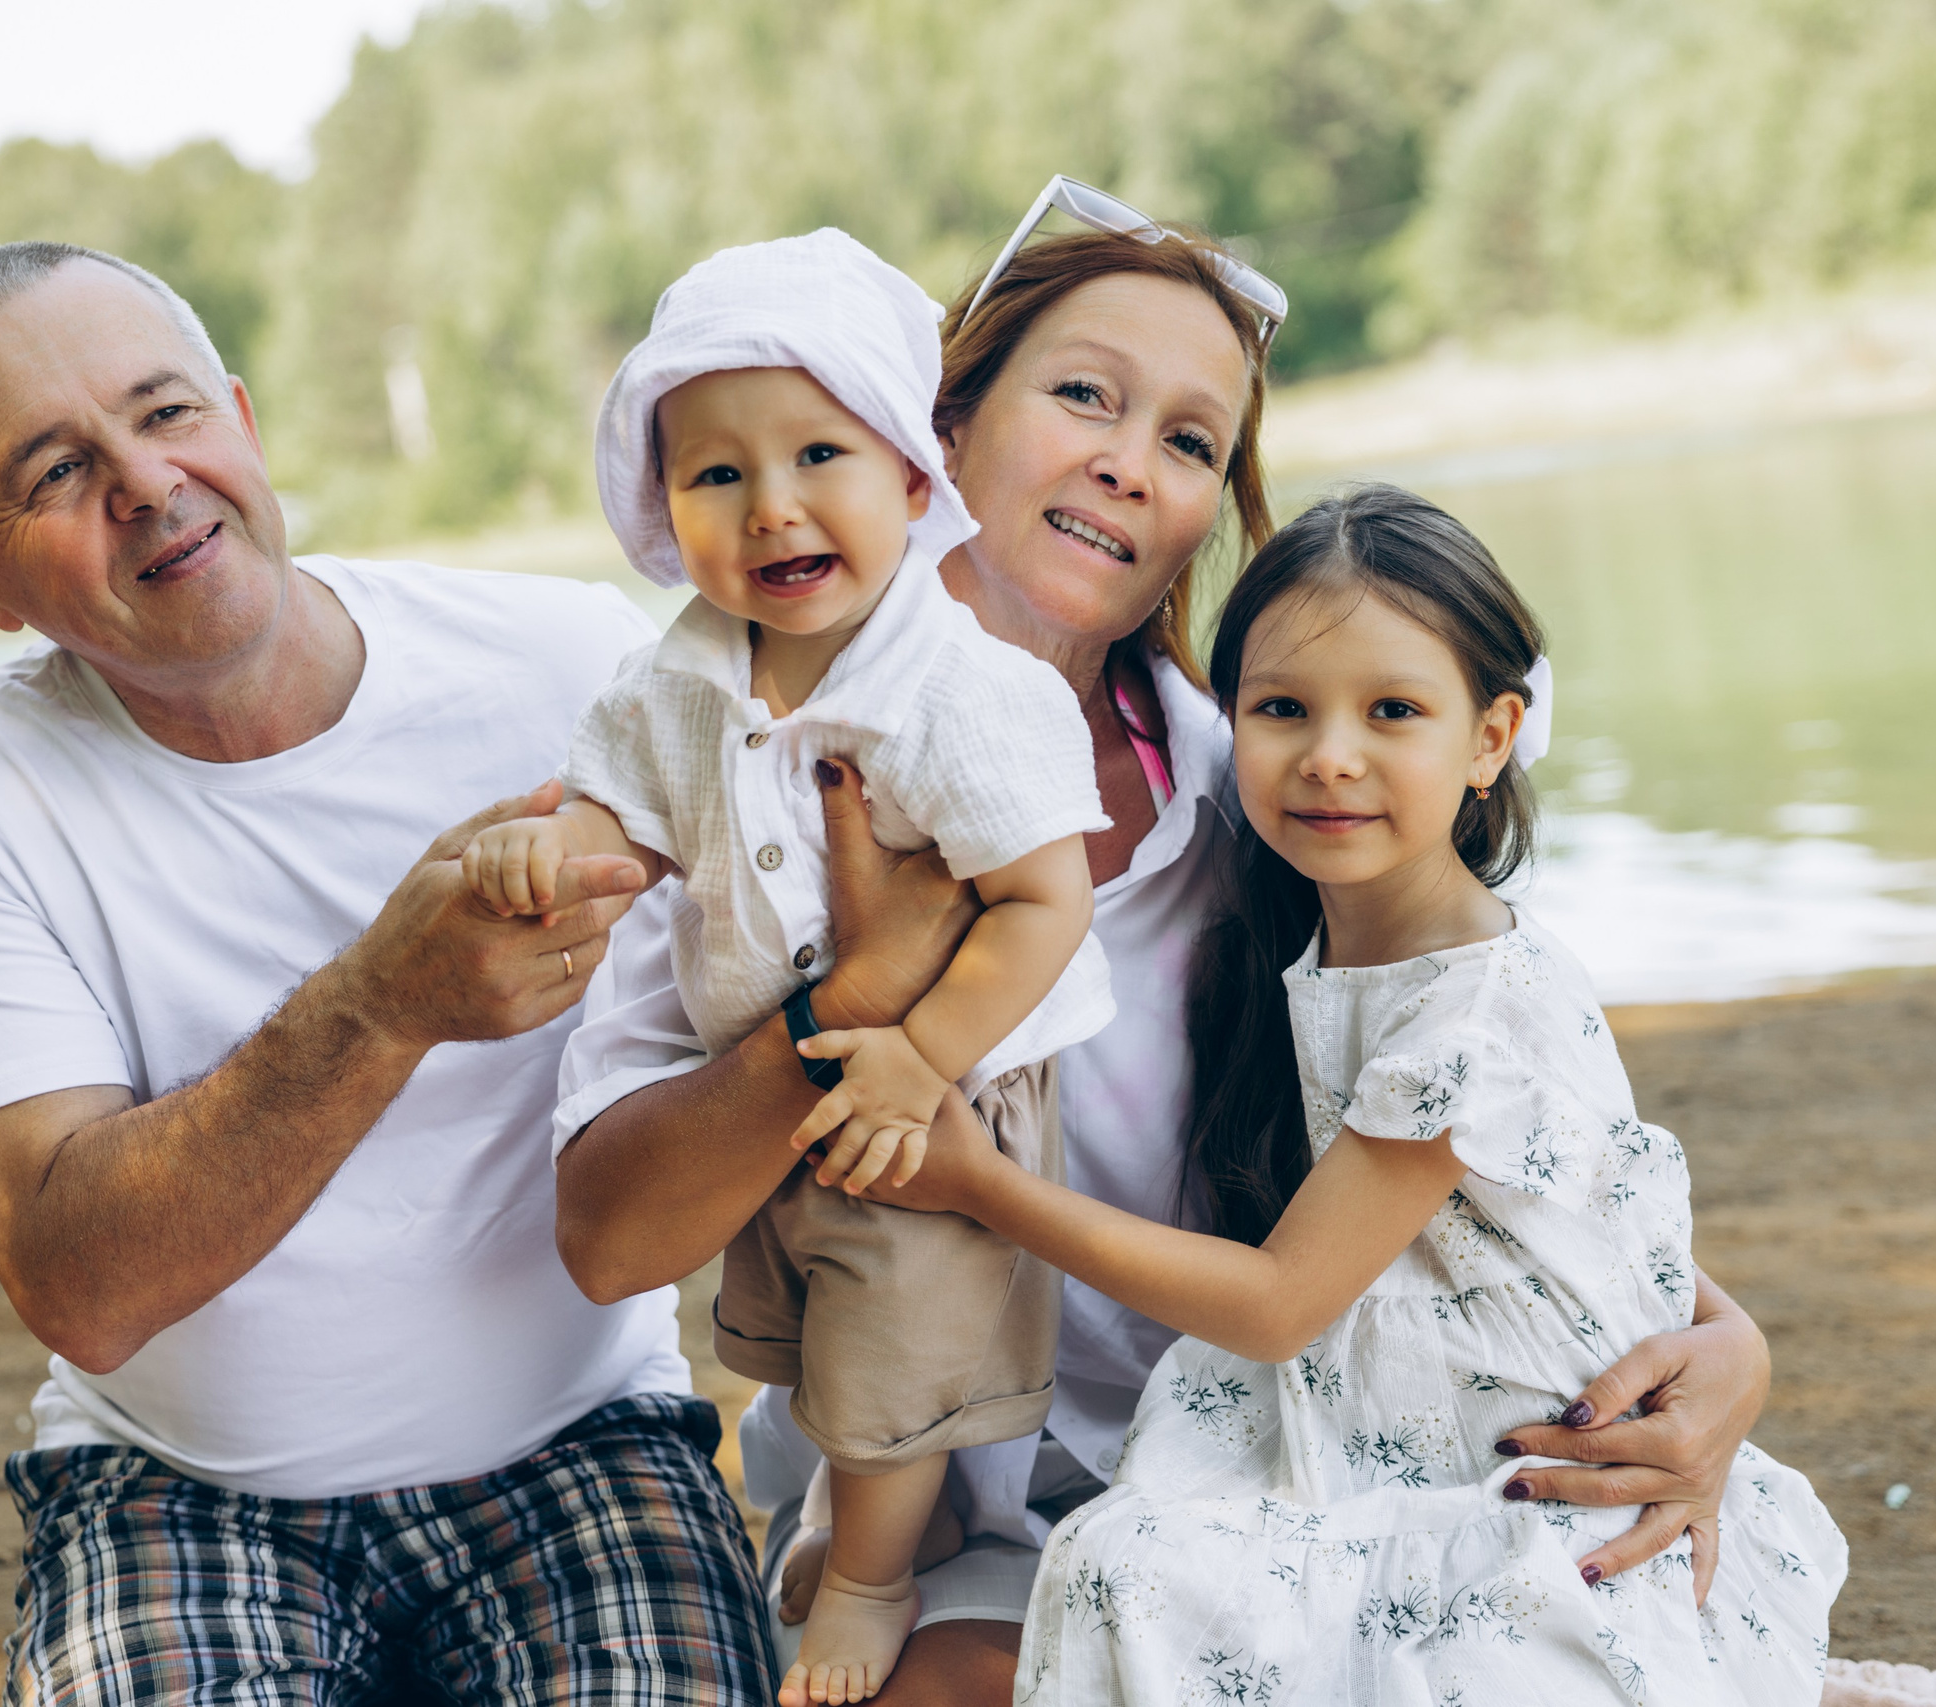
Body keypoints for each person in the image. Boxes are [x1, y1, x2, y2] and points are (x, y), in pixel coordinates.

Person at [550, 182, 1781, 1705]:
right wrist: (854, 997)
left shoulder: (1258, 788)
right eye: (1084, 396)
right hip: (927, 1493)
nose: (1131, 465)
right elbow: (612, 1240)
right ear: (933, 428)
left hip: (1258, 1453)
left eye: (1192, 441)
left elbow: (1465, 1113)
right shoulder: (735, 760)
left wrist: (1727, 1347)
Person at [0, 240, 776, 1703]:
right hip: (176, 1483)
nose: (146, 483)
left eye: (165, 414)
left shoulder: (576, 662)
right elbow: (79, 1285)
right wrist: (381, 999)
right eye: (52, 471)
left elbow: (788, 985)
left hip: (581, 1430)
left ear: (243, 418)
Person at [906, 485, 1847, 1704]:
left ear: (1490, 737)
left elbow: (1277, 1305)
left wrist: (980, 1183)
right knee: (1129, 1565)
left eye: (1392, 711)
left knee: (1141, 1573)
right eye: (1281, 709)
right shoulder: (1319, 954)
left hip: (1519, 1465)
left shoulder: (1473, 1010)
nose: (1329, 755)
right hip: (1385, 1433)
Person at [469, 229, 1113, 1707]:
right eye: (715, 475)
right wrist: (549, 851)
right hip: (767, 1093)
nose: (772, 508)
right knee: (796, 1335)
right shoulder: (669, 680)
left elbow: (1040, 899)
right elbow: (610, 811)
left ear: (906, 475)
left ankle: (879, 1571)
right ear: (658, 505)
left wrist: (925, 1048)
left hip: (930, 1098)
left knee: (895, 1351)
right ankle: (861, 1512)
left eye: (820, 451)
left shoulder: (960, 692)